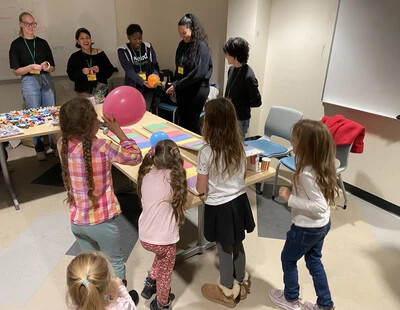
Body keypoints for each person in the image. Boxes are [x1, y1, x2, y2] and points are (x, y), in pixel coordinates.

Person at [58, 97, 142, 288]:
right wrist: (119, 132)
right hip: (102, 221)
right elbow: (135, 157)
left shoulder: (62, 144)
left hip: (77, 221)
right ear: (91, 124)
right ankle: (120, 298)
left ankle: (94, 297)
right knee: (116, 263)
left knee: (91, 265)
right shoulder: (103, 146)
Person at [269, 119, 337, 310]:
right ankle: (325, 304)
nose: (291, 142)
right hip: (321, 226)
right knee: (314, 261)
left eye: (294, 140)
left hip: (307, 228)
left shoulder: (307, 174)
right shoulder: (321, 166)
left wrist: (290, 198)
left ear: (306, 146)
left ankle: (290, 299)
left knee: (288, 259)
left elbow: (319, 205)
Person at [197, 98, 255, 308]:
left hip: (220, 207)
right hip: (239, 202)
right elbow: (244, 175)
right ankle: (242, 282)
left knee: (224, 249)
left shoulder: (206, 151)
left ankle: (227, 290)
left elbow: (201, 188)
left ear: (209, 124)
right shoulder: (240, 145)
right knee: (238, 242)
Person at [136, 139, 187, 310]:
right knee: (166, 273)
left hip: (144, 236)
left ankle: (150, 282)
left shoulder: (146, 176)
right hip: (164, 240)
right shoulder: (176, 179)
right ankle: (162, 304)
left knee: (161, 256)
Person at [9, 12, 56, 161]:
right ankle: (39, 148)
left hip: (46, 78)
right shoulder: (16, 44)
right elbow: (16, 71)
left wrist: (46, 66)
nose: (31, 27)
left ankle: (54, 146)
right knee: (34, 115)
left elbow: (52, 66)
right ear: (21, 24)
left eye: (33, 24)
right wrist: (30, 67)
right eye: (27, 24)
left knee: (50, 113)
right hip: (29, 80)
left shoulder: (42, 42)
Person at [166, 13, 213, 134]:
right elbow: (179, 68)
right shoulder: (182, 45)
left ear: (192, 29)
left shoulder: (201, 46)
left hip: (197, 89)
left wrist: (178, 84)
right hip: (184, 87)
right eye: (180, 33)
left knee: (192, 121)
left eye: (184, 33)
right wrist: (176, 85)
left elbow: (199, 73)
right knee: (183, 121)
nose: (182, 36)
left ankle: (195, 149)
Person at [66, 251, 137, 309]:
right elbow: (133, 307)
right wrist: (122, 289)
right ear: (109, 287)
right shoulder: (121, 306)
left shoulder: (79, 304)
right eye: (111, 277)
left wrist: (110, 296)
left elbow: (100, 297)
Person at [223, 37, 262, 139]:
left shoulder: (248, 75)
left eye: (227, 53)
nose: (226, 56)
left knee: (237, 147)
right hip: (229, 115)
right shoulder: (231, 69)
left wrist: (242, 104)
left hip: (240, 118)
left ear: (235, 55)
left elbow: (257, 101)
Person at [118, 24, 160, 111]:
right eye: (134, 39)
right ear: (128, 38)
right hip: (133, 87)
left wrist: (155, 76)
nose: (138, 41)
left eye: (140, 38)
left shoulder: (148, 47)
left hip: (148, 88)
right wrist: (142, 81)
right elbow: (129, 71)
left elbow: (154, 65)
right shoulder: (123, 50)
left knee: (145, 110)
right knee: (133, 111)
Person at [67, 28, 115, 97]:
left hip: (101, 90)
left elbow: (110, 70)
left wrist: (100, 70)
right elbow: (71, 75)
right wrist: (82, 72)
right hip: (84, 92)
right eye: (82, 38)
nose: (85, 41)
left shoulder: (100, 52)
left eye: (87, 38)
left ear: (91, 39)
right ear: (78, 41)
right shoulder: (74, 57)